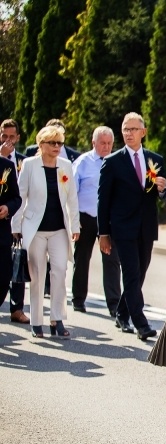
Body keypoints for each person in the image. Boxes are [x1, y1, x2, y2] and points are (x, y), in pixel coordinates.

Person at [97, 112, 166, 340]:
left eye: (133, 129)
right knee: (131, 274)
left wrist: (162, 189)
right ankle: (141, 324)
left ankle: (121, 312)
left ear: (143, 132)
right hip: (122, 228)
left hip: (146, 227)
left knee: (139, 274)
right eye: (125, 129)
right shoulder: (112, 162)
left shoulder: (155, 159)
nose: (129, 133)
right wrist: (103, 233)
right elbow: (103, 200)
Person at [11, 125, 80, 338]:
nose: (57, 147)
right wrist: (16, 226)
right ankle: (36, 321)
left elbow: (72, 198)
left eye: (60, 143)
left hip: (59, 228)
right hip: (35, 230)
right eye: (52, 143)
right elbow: (20, 197)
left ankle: (56, 319)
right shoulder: (30, 165)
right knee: (38, 275)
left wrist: (75, 225)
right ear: (41, 144)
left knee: (60, 270)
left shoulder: (65, 165)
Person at [71, 126, 122, 316]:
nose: (106, 147)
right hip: (87, 218)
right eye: (102, 143)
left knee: (112, 261)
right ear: (94, 143)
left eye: (109, 143)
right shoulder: (83, 162)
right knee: (82, 258)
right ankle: (78, 299)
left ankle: (114, 305)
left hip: (109, 220)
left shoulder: (117, 162)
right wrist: (74, 219)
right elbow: (72, 192)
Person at [2, 118, 30, 324]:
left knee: (19, 263)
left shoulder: (24, 161)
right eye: (4, 136)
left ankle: (17, 308)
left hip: (21, 220)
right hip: (4, 221)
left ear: (18, 138)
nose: (8, 140)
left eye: (12, 136)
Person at [0, 153, 21, 316]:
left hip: (1, 234)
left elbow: (16, 198)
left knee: (3, 277)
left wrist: (8, 208)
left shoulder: (7, 166)